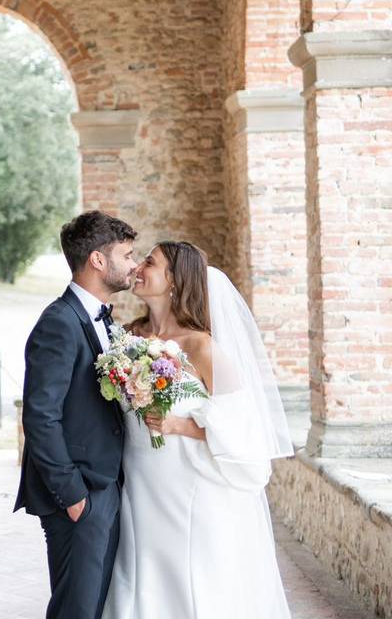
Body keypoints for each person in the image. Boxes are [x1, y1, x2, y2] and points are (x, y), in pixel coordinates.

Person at [102, 241, 293, 619]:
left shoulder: (202, 347)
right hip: (139, 480)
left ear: (174, 281)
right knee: (141, 571)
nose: (139, 267)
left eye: (150, 263)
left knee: (190, 575)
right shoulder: (126, 338)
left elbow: (244, 429)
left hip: (190, 484)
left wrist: (179, 424)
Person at [14, 210, 138, 619]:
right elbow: (39, 416)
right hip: (79, 492)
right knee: (76, 610)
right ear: (98, 261)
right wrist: (72, 496)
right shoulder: (60, 322)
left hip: (105, 484)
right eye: (127, 254)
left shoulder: (102, 318)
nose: (134, 264)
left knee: (94, 607)